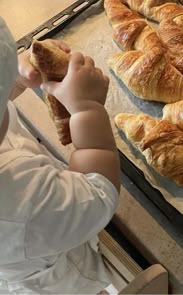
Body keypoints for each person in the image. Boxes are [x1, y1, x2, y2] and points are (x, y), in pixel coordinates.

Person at [0, 17, 120, 294]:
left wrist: (17, 78)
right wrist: (87, 109)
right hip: (54, 280)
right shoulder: (21, 204)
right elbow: (97, 193)